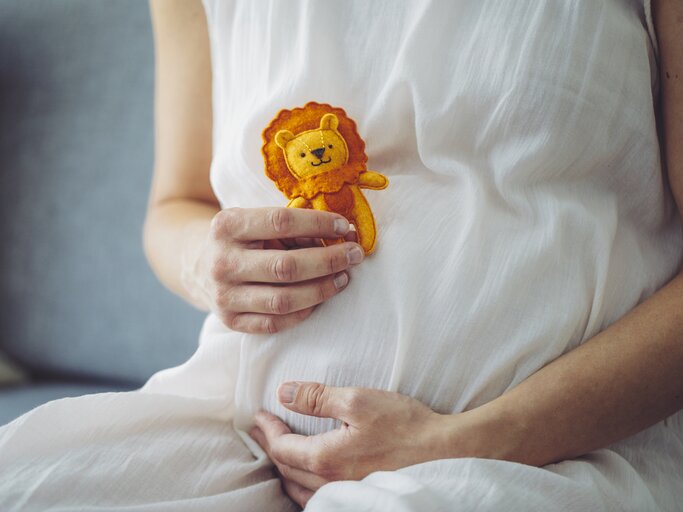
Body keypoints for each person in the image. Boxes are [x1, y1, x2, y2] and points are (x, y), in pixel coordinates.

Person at [1, 0, 682, 510]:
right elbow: (174, 206)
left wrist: (467, 442)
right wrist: (201, 264)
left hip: (556, 455)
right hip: (243, 427)